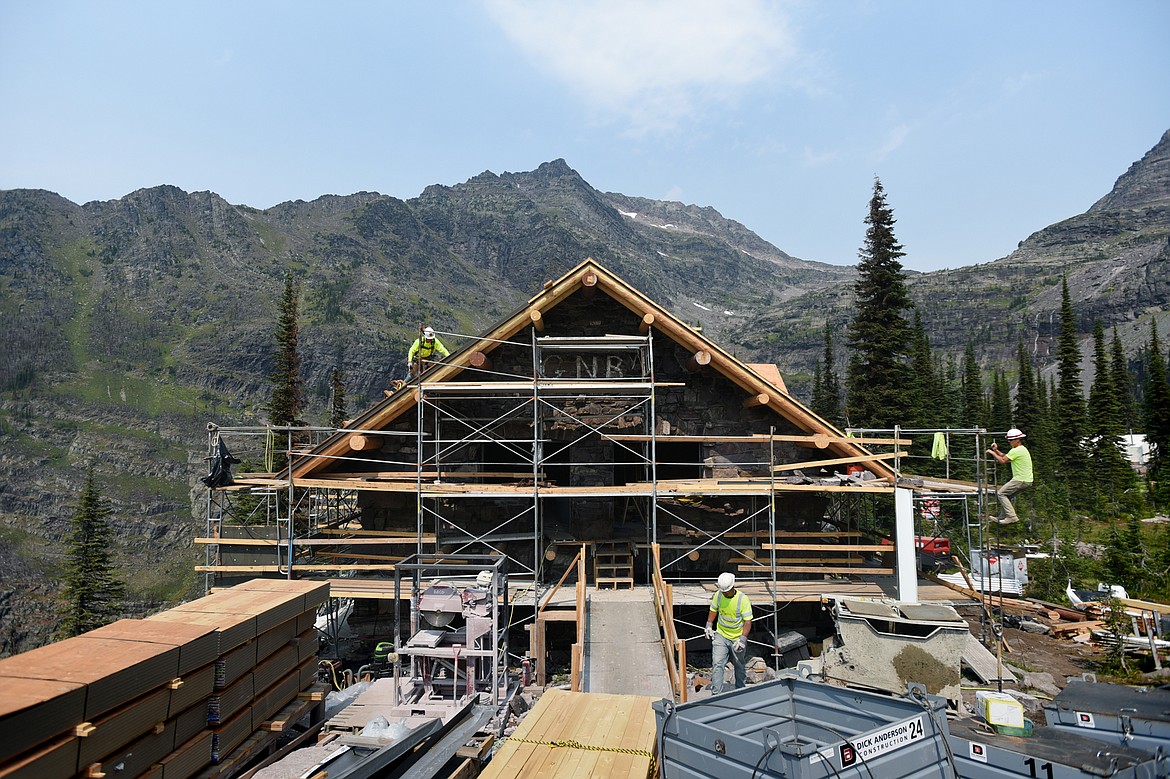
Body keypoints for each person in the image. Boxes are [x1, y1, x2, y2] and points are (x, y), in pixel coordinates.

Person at [704, 572, 752, 694]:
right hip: (721, 635)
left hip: (737, 638)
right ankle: (716, 694)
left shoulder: (742, 599)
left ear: (733, 587)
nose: (725, 593)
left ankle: (740, 691)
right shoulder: (718, 595)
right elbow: (713, 610)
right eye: (723, 591)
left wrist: (742, 640)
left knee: (739, 665)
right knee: (717, 664)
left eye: (727, 591)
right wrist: (709, 624)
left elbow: (747, 622)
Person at [986, 427, 1033, 525]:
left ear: (1017, 440)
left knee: (1001, 493)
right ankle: (1003, 516)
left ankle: (1011, 517)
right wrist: (996, 450)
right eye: (1008, 440)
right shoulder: (1020, 449)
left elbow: (1002, 461)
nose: (1009, 442)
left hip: (1020, 480)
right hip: (1027, 480)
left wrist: (992, 452)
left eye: (1011, 440)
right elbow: (1005, 456)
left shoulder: (1016, 450)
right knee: (1007, 495)